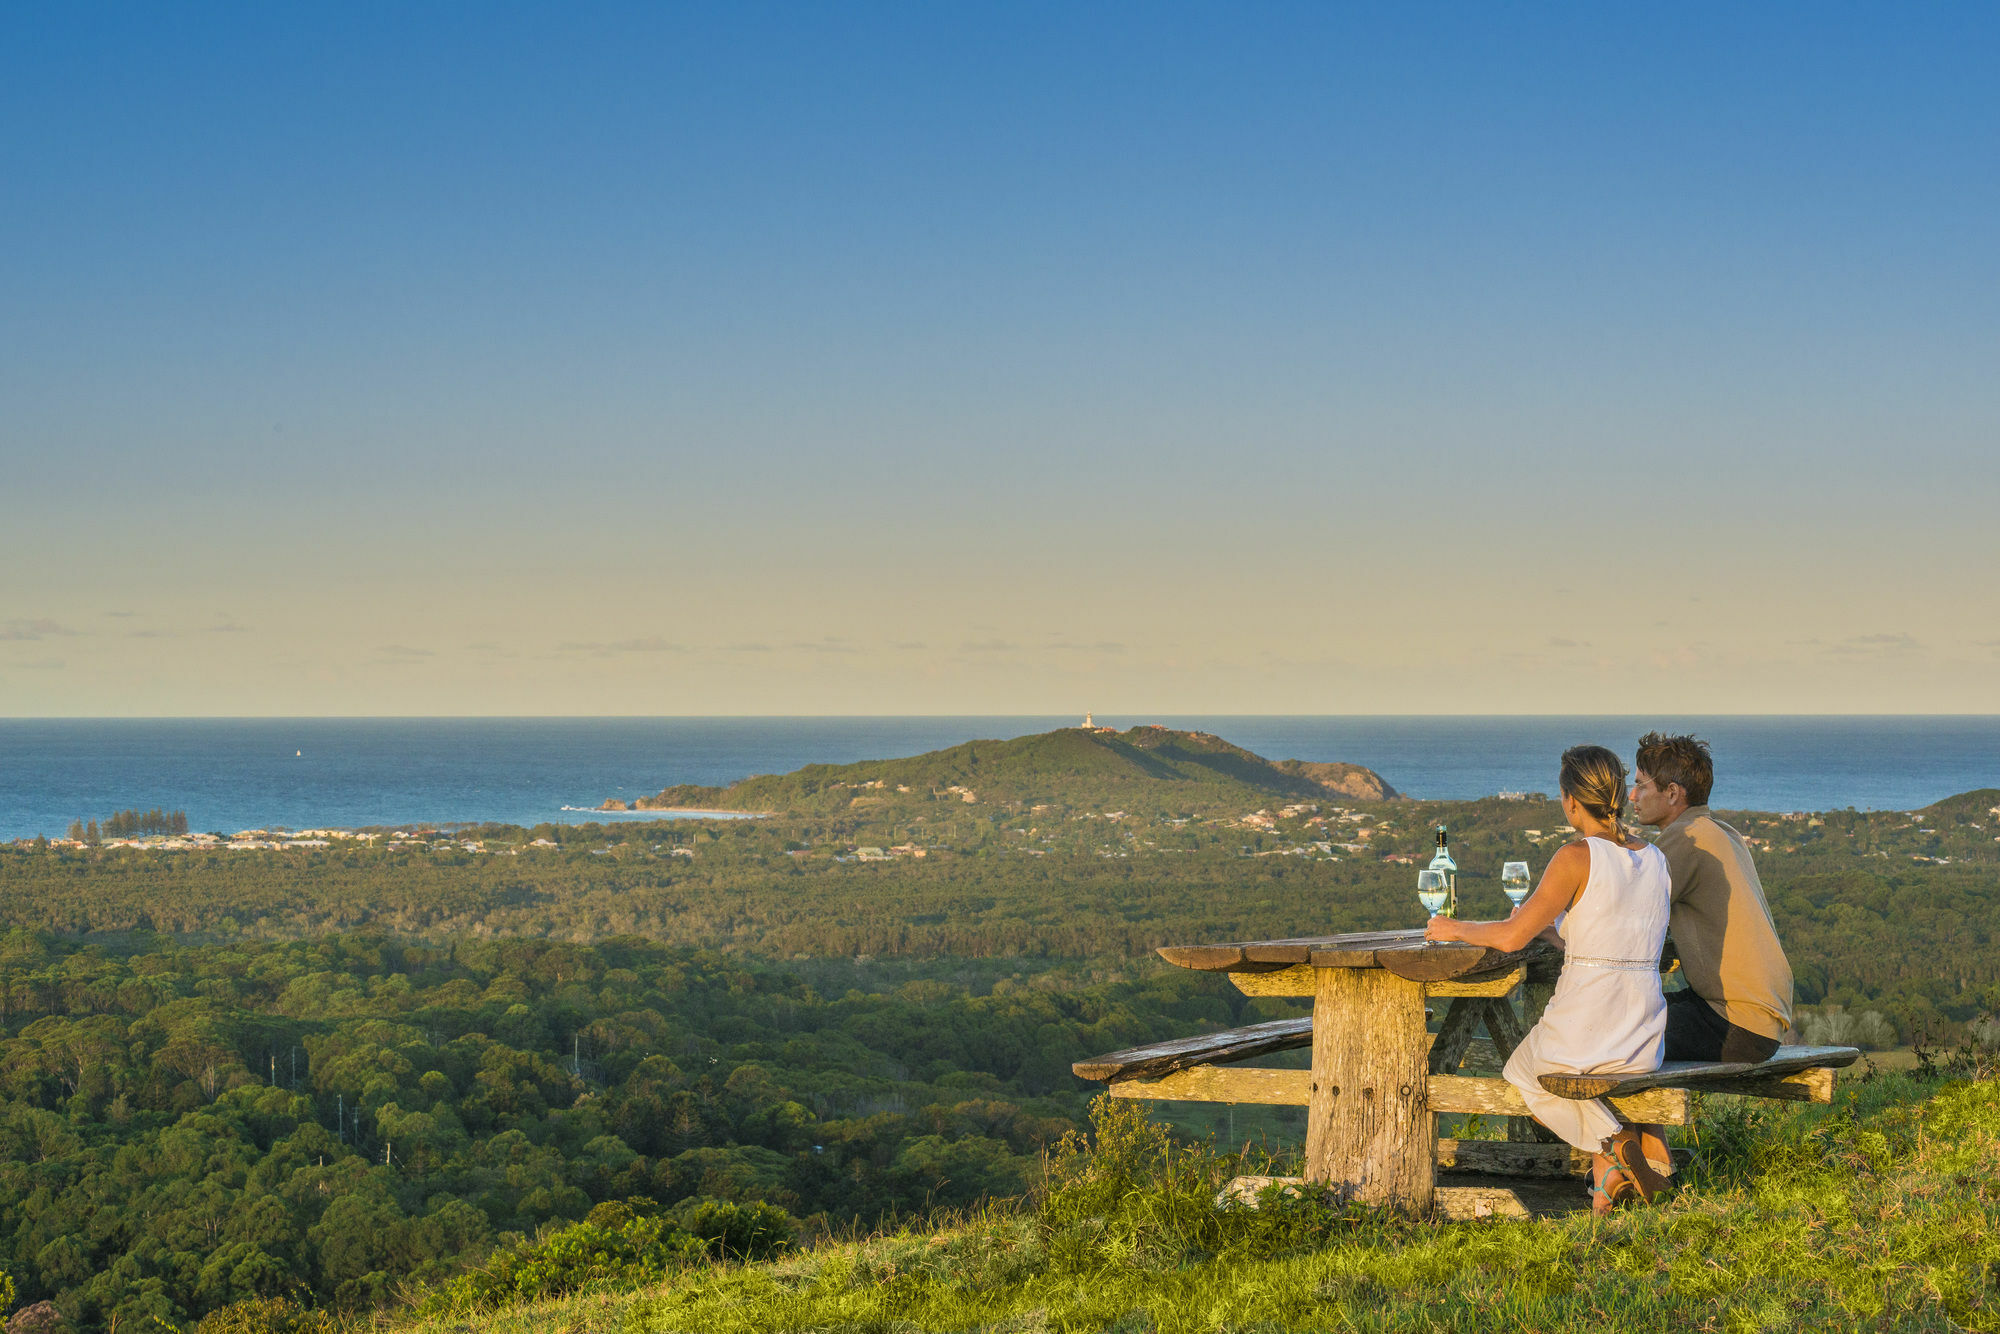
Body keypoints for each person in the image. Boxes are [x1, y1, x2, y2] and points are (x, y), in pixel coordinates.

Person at [1424, 745, 1672, 1212]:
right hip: (1643, 1036)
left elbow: (1512, 937)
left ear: (1571, 801)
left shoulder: (1576, 856)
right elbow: (1612, 943)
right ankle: (1612, 1173)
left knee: (1524, 1071)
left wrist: (1453, 927)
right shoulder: (1656, 860)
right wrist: (1554, 933)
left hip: (1586, 1028)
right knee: (1562, 1075)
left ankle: (1614, 1143)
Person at [1622, 731, 1796, 1179]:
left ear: (1673, 793)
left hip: (1736, 1023)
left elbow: (1622, 923)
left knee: (1613, 1034)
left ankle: (1632, 1165)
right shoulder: (1720, 830)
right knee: (1636, 1023)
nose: (1632, 794)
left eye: (1642, 784)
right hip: (1756, 1016)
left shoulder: (1683, 841)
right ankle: (1650, 1159)